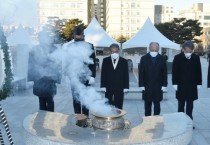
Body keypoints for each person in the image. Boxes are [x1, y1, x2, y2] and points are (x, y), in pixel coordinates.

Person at [28, 30, 61, 112]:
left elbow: (59, 63)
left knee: (49, 100)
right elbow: (31, 64)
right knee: (42, 101)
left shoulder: (54, 49)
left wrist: (57, 77)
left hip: (50, 79)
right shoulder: (34, 49)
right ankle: (43, 118)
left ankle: (49, 118)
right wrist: (32, 77)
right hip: (40, 78)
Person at [172, 40, 202, 125]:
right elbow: (175, 71)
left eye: (191, 49)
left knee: (190, 104)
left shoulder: (196, 58)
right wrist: (174, 83)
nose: (189, 51)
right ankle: (180, 122)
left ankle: (189, 122)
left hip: (192, 85)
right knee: (181, 104)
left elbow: (198, 71)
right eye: (188, 49)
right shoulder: (177, 57)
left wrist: (199, 82)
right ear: (184, 48)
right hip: (181, 85)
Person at [69, 26, 96, 116]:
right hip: (74, 76)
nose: (78, 38)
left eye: (79, 36)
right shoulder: (69, 46)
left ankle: (86, 118)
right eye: (76, 36)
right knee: (76, 99)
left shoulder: (89, 46)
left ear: (83, 36)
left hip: (86, 76)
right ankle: (78, 118)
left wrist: (92, 76)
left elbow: (93, 62)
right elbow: (67, 62)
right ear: (74, 36)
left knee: (86, 98)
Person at [139, 42, 167, 116]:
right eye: (152, 48)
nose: (154, 50)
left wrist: (164, 85)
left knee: (157, 105)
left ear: (158, 48)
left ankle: (156, 120)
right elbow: (141, 73)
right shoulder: (144, 58)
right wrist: (141, 85)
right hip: (147, 85)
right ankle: (147, 120)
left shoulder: (162, 58)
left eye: (156, 48)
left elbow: (164, 72)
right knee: (147, 105)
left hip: (158, 86)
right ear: (149, 48)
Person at [101, 43, 129, 109]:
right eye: (112, 52)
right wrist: (103, 85)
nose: (114, 53)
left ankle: (118, 117)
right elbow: (103, 73)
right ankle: (109, 117)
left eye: (116, 52)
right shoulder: (105, 60)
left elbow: (126, 75)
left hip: (120, 86)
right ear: (110, 51)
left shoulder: (124, 61)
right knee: (108, 104)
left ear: (118, 51)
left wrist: (126, 87)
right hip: (108, 86)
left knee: (119, 104)